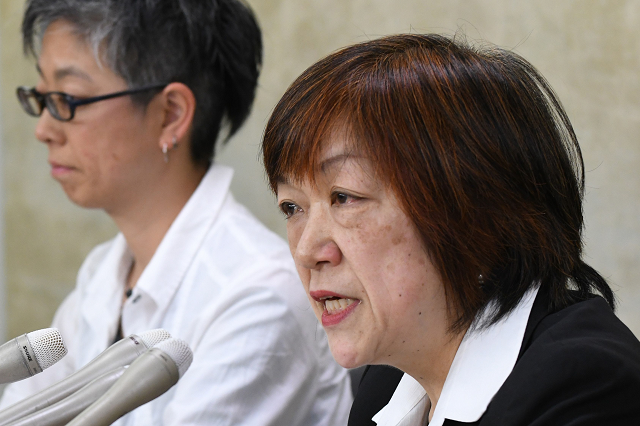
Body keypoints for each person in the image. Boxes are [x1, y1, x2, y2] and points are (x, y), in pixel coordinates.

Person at [0, 0, 353, 425]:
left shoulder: (257, 295)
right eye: (40, 98)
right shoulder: (102, 273)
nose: (43, 129)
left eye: (67, 99)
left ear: (171, 114)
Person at [261, 33, 640, 425]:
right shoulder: (388, 380)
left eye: (344, 197)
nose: (306, 250)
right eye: (292, 207)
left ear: (476, 213)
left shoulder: (589, 389)